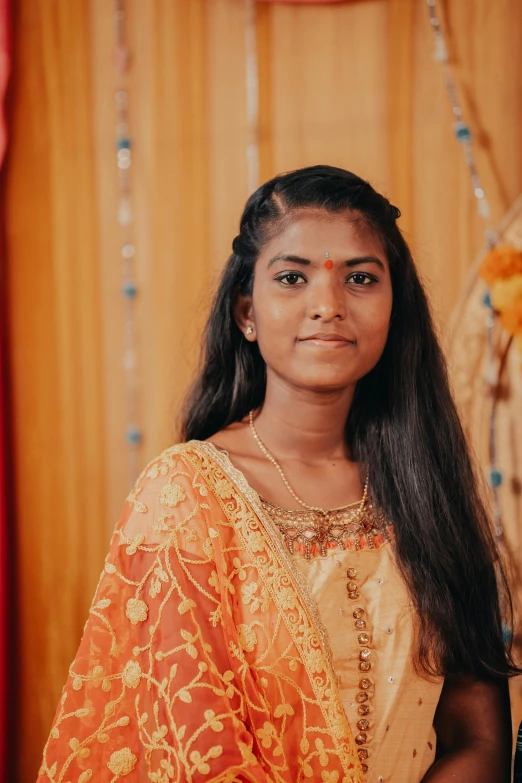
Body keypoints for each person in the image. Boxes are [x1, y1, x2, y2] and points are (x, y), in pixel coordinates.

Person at [36, 166, 518, 783]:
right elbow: (197, 753)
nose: (328, 305)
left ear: (395, 307)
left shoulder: (427, 489)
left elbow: (476, 735)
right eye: (292, 278)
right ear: (247, 313)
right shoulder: (189, 496)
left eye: (361, 279)